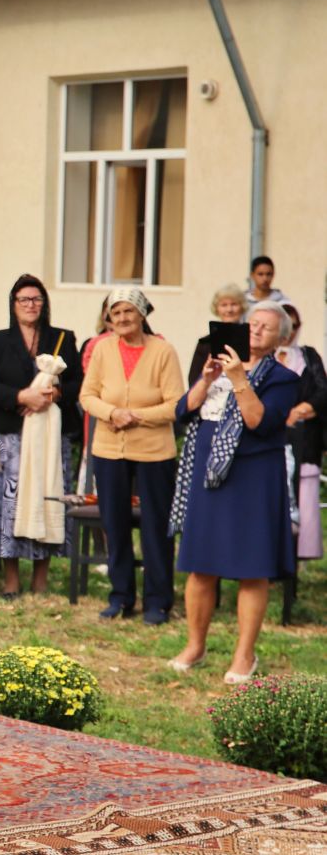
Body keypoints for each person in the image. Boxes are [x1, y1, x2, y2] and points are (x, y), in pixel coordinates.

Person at [168, 302, 299, 683]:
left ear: (283, 338)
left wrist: (240, 378)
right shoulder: (217, 361)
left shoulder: (283, 378)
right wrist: (207, 380)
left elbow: (258, 420)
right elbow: (182, 410)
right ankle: (195, 645)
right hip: (208, 473)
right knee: (200, 564)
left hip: (254, 475)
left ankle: (245, 654)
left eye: (266, 327)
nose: (255, 331)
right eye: (252, 324)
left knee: (251, 568)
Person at [78, 289, 185, 624]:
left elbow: (175, 404)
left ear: (142, 314)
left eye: (128, 311)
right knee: (115, 524)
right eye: (116, 313)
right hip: (109, 450)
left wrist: (135, 416)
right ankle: (121, 597)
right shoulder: (102, 349)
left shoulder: (163, 351)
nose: (122, 318)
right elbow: (87, 395)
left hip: (155, 452)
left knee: (156, 527)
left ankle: (158, 602)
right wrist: (111, 413)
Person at [0, 275, 81, 597]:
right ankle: (11, 578)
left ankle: (41, 578)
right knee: (10, 504)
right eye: (23, 299)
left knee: (47, 499)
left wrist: (54, 394)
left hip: (52, 437)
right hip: (11, 435)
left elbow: (81, 382)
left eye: (36, 299)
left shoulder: (63, 337)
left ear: (44, 303)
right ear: (13, 304)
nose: (30, 305)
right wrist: (21, 397)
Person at [277, 304, 325, 564]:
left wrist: (301, 410)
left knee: (304, 497)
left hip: (304, 440)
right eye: (285, 325)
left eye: (294, 326)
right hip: (273, 439)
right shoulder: (263, 359)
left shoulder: (307, 356)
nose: (289, 332)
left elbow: (322, 391)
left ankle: (298, 561)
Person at [187, 283, 248, 384]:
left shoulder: (251, 339)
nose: (229, 310)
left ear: (242, 307)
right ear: (217, 309)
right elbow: (193, 380)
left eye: (234, 304)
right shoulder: (205, 343)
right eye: (224, 305)